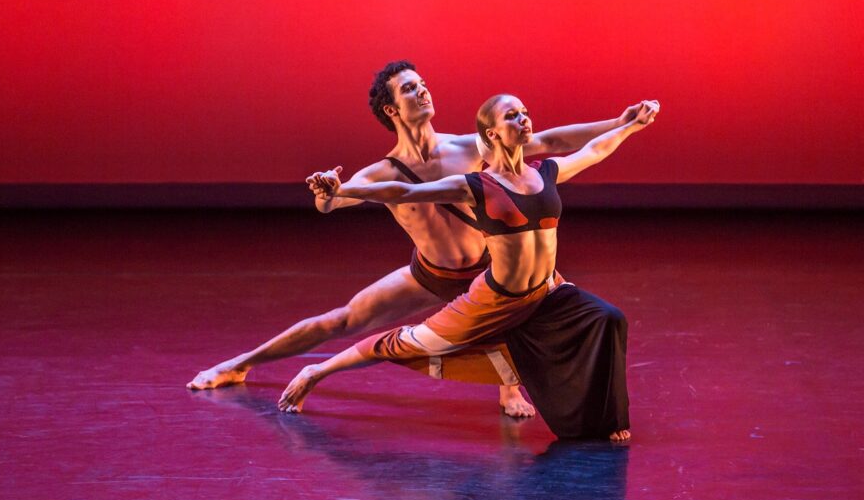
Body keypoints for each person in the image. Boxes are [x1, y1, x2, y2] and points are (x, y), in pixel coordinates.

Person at [189, 60, 652, 417]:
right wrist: (327, 192)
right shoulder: (382, 172)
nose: (423, 91)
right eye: (409, 88)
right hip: (431, 273)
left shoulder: (471, 147)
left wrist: (619, 122)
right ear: (392, 109)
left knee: (522, 311)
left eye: (423, 83)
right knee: (342, 320)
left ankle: (509, 387)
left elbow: (548, 141)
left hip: (495, 272)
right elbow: (331, 206)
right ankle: (240, 363)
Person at [277, 94, 659, 441]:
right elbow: (403, 192)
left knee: (609, 318)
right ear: (492, 133)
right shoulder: (475, 185)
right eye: (513, 116)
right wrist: (343, 190)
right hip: (495, 300)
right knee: (409, 342)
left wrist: (630, 125)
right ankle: (317, 371)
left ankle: (608, 421)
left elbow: (594, 149)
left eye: (526, 113)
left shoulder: (547, 172)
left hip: (547, 293)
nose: (524, 120)